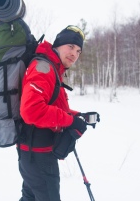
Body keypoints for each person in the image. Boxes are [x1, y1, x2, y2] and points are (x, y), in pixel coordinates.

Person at [17, 25, 87, 201]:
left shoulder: (52, 68)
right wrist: (70, 122)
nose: (74, 54)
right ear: (58, 45)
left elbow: (52, 105)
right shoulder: (44, 68)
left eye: (78, 51)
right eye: (70, 47)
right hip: (38, 155)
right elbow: (31, 111)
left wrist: (77, 116)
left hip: (33, 152)